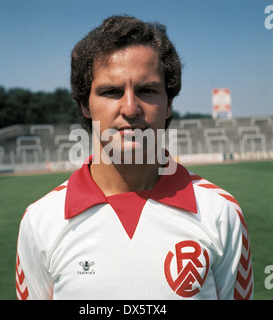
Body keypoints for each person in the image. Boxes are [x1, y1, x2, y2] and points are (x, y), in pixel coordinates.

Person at [16, 15, 253, 300]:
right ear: (85, 105)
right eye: (111, 91)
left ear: (168, 105)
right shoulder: (41, 221)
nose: (130, 108)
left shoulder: (221, 213)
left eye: (147, 90)